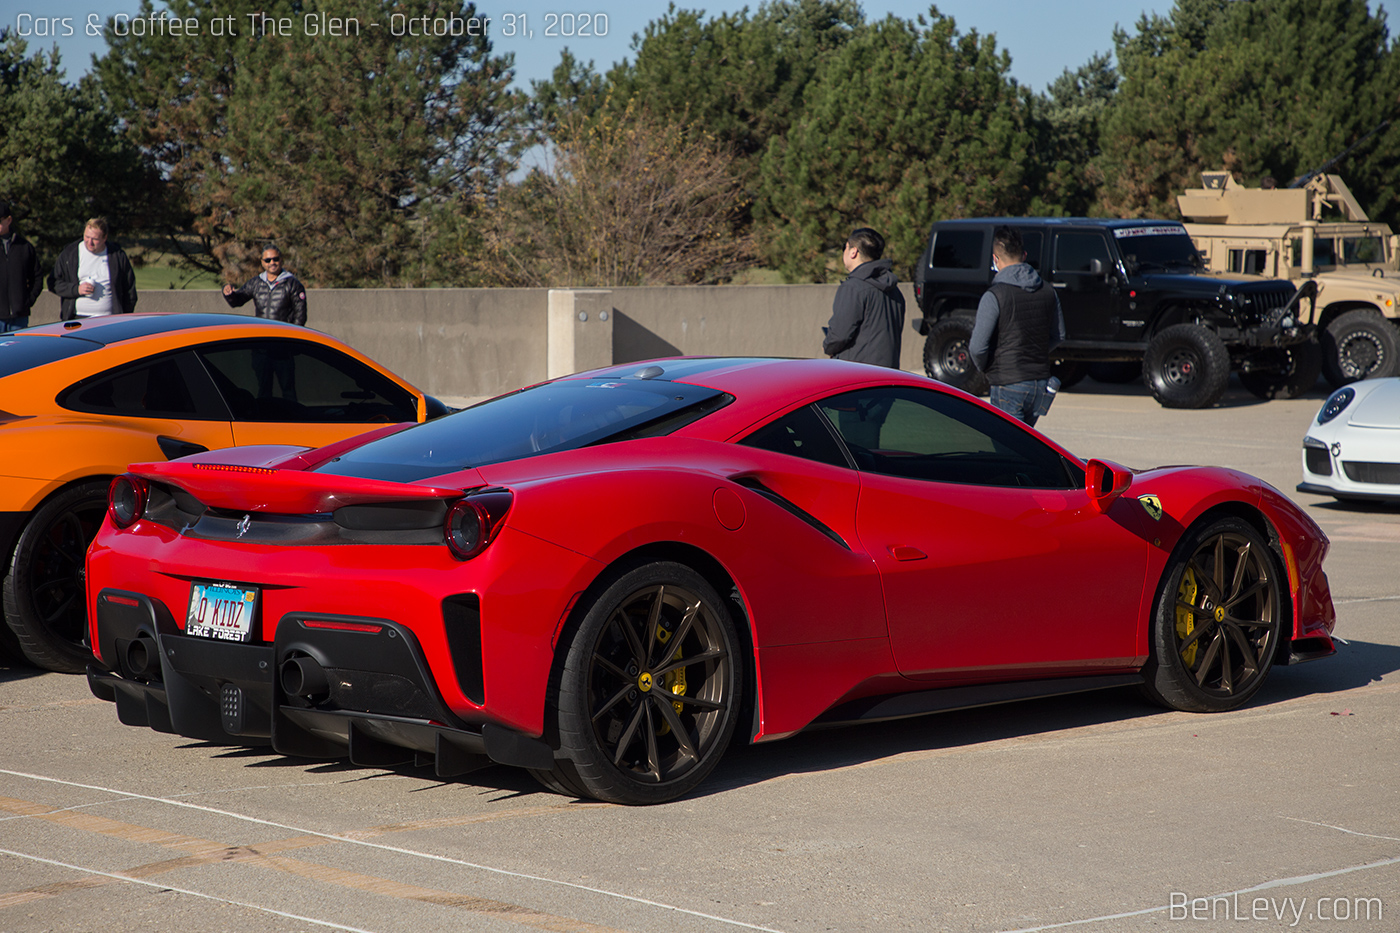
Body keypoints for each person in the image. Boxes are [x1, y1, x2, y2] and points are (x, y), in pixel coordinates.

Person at [969, 225, 1065, 427]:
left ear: (995, 259)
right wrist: (1033, 352)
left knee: (1008, 450)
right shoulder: (1048, 291)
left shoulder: (995, 295)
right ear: (1024, 255)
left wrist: (986, 367)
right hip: (1040, 382)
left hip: (1008, 383)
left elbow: (978, 347)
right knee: (1026, 446)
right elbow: (1059, 335)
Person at [822, 227, 906, 368]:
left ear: (853, 251)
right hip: (889, 375)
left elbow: (838, 336)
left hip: (858, 375)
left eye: (845, 247)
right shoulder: (895, 291)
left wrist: (828, 346)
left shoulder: (853, 287)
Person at [50, 217, 139, 321]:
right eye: (87, 237)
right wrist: (76, 289)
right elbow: (54, 283)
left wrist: (124, 317)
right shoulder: (70, 253)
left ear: (105, 238)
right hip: (77, 318)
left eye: (95, 239)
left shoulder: (117, 256)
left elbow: (129, 290)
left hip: (109, 319)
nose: (89, 242)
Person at [222, 246, 308, 325]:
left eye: (276, 259)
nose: (272, 263)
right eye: (268, 260)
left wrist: (292, 336)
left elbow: (300, 315)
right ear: (262, 262)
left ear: (281, 260)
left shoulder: (293, 284)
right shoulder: (256, 283)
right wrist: (229, 294)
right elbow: (237, 301)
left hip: (283, 336)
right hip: (262, 334)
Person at [0, 201, 43, 332]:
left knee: (17, 352)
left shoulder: (24, 247)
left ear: (9, 220)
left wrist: (27, 302)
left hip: (19, 318)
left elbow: (37, 277)